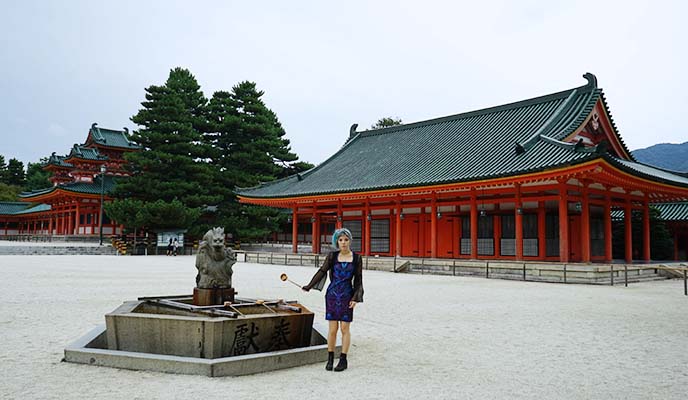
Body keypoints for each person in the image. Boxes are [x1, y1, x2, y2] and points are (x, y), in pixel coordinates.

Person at [303, 228, 363, 372]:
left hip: (347, 295)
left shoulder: (357, 258)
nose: (343, 243)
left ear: (350, 241)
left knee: (344, 328)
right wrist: (309, 286)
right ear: (337, 242)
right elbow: (322, 271)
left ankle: (343, 359)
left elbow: (359, 280)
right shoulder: (332, 256)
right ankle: (330, 358)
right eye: (340, 240)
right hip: (332, 294)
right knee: (332, 329)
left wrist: (356, 298)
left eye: (346, 240)